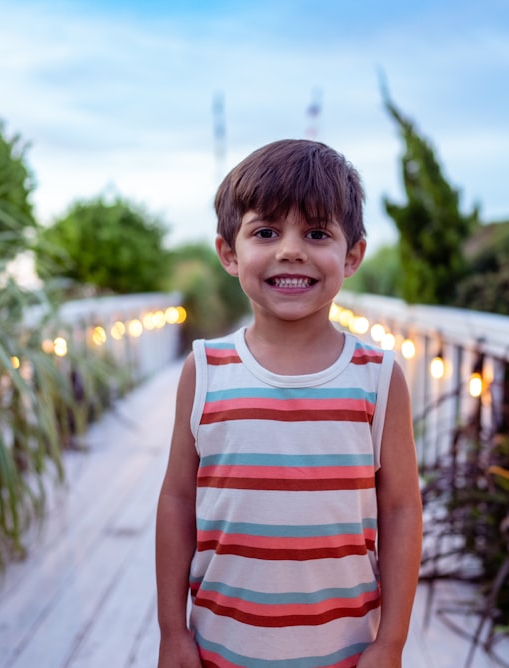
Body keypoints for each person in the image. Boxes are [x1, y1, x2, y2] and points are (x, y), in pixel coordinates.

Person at [156, 139, 422, 668]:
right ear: (229, 253)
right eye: (266, 232)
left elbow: (400, 510)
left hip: (343, 650)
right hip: (220, 648)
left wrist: (390, 642)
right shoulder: (205, 369)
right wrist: (172, 632)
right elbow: (178, 501)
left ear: (352, 256)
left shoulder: (378, 378)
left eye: (317, 233)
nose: (291, 250)